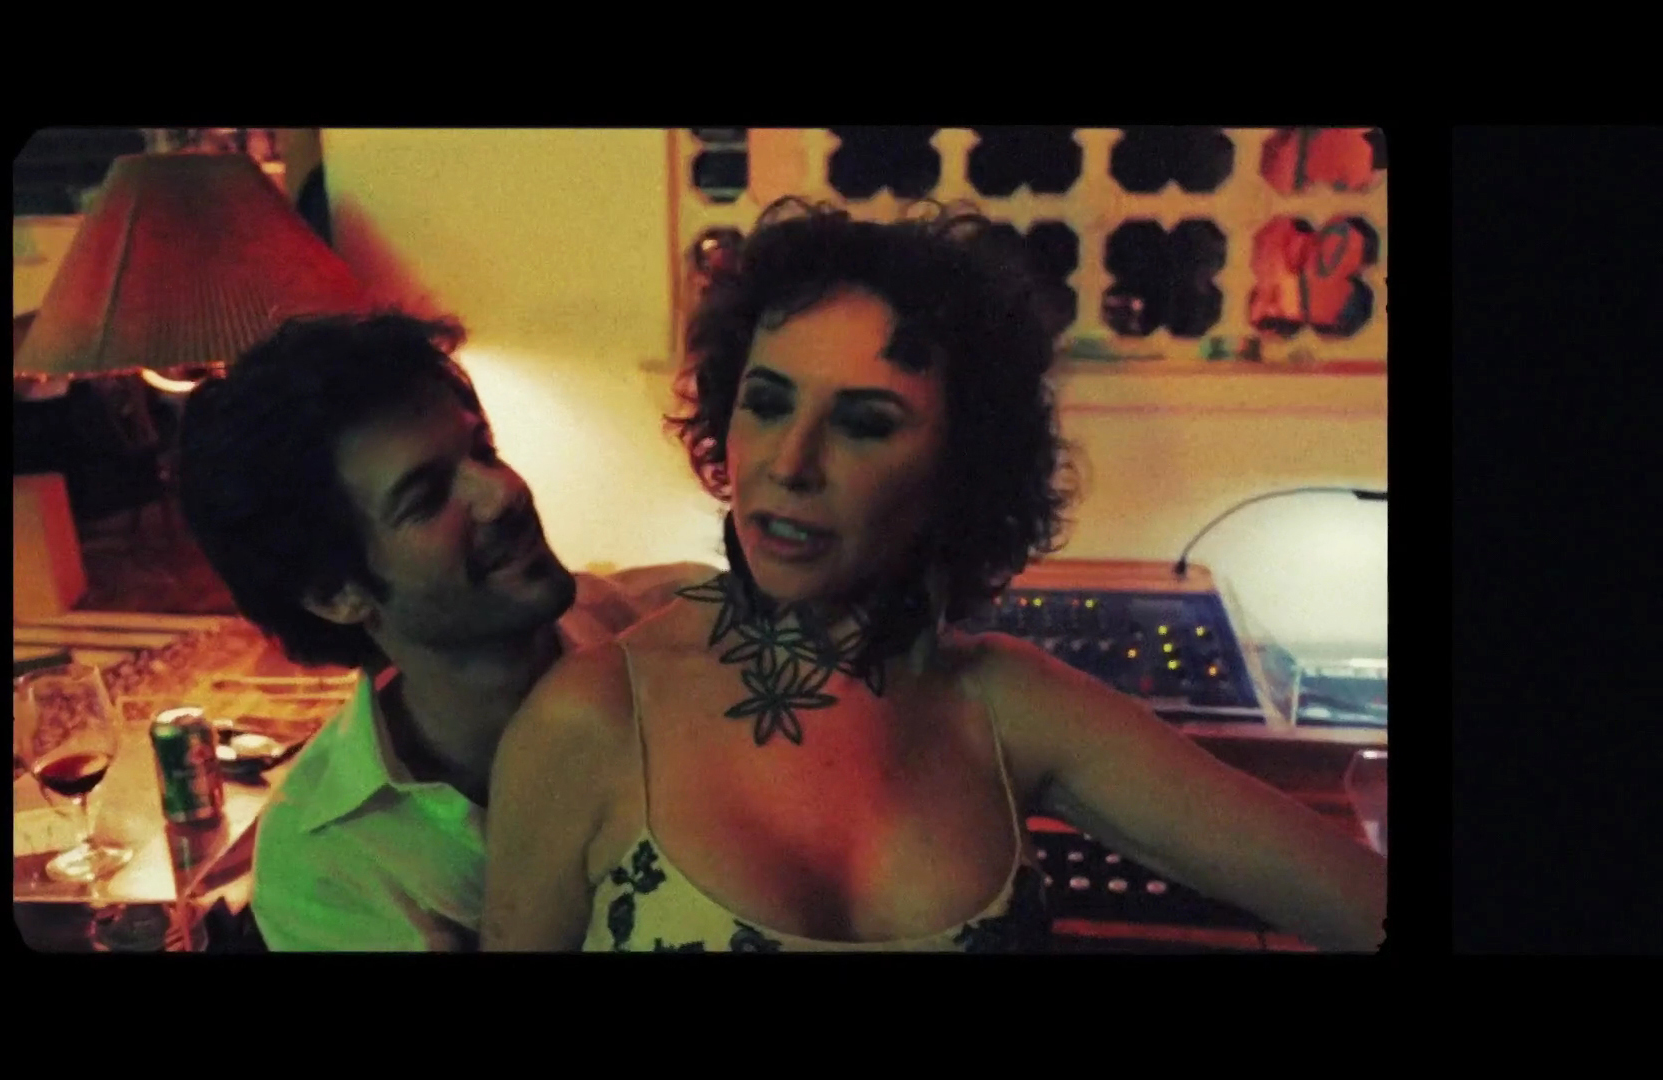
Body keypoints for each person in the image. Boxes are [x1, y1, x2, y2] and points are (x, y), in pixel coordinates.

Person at [481, 199, 1388, 952]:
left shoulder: (1007, 706)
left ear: (962, 466)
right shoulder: (591, 720)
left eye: (865, 424)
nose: (790, 463)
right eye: (767, 404)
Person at [178, 312, 715, 951]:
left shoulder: (692, 622)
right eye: (428, 497)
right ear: (335, 594)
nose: (502, 493)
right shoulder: (325, 866)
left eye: (484, 451)